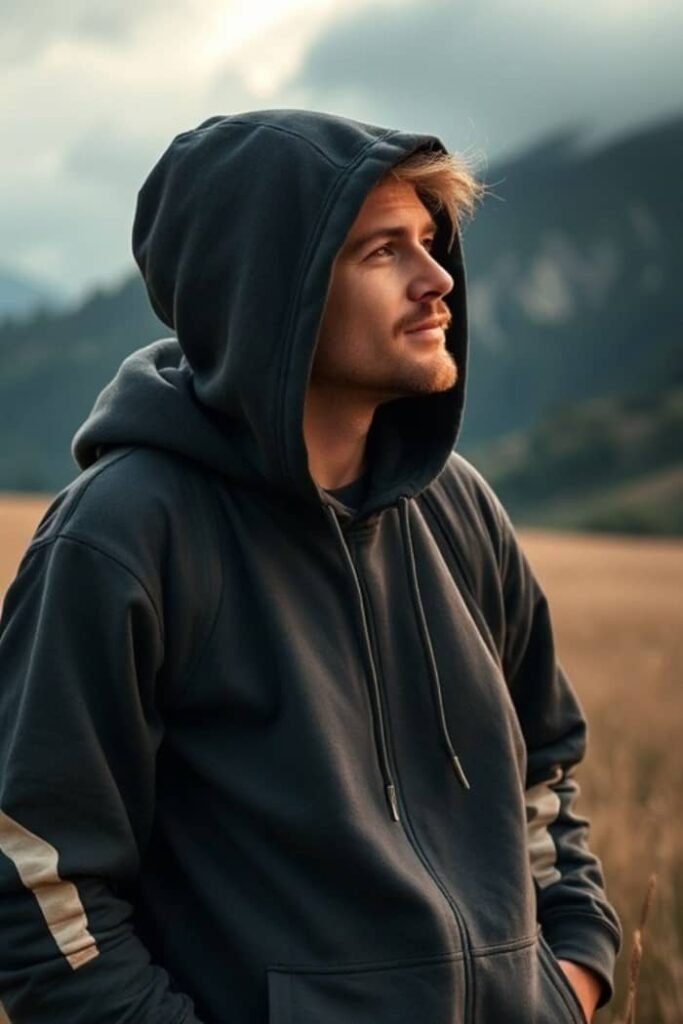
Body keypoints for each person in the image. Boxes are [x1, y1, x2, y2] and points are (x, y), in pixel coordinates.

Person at [0, 110, 620, 1024]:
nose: (438, 279)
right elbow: (38, 886)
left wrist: (568, 978)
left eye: (429, 241)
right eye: (382, 252)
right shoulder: (124, 538)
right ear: (270, 297)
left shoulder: (460, 509)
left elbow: (542, 783)